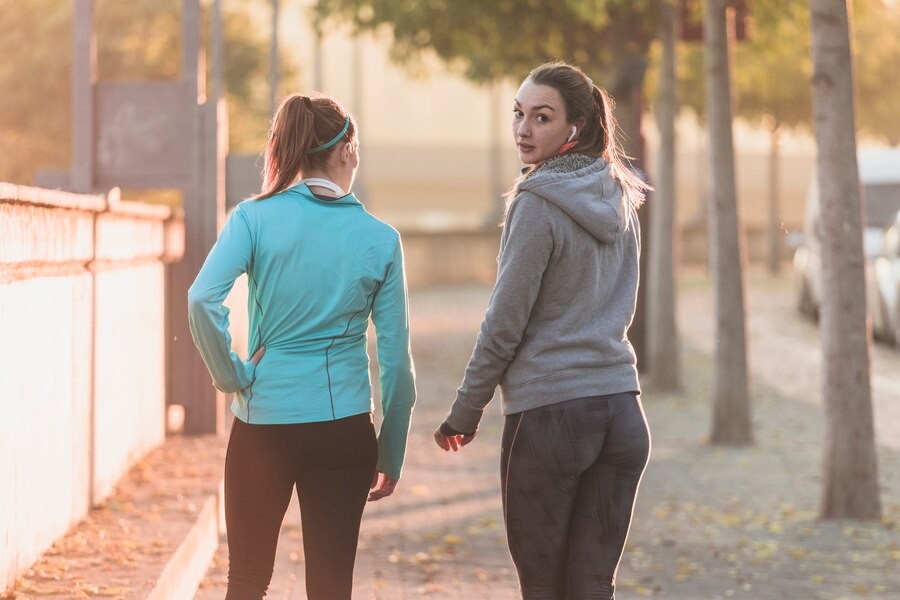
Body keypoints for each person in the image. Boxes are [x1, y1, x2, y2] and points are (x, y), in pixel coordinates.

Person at [434, 61, 651, 599]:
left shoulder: (537, 202)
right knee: (593, 586)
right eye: (519, 114)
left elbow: (505, 322)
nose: (523, 130)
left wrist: (466, 410)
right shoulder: (621, 195)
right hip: (623, 413)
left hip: (552, 418)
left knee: (545, 590)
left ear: (575, 127)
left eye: (542, 117)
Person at [188, 93, 416, 600]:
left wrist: (234, 376)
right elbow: (398, 366)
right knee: (331, 588)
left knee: (246, 581)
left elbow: (202, 299)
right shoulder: (381, 239)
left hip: (263, 424)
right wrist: (391, 450)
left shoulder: (253, 218)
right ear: (347, 151)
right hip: (344, 433)